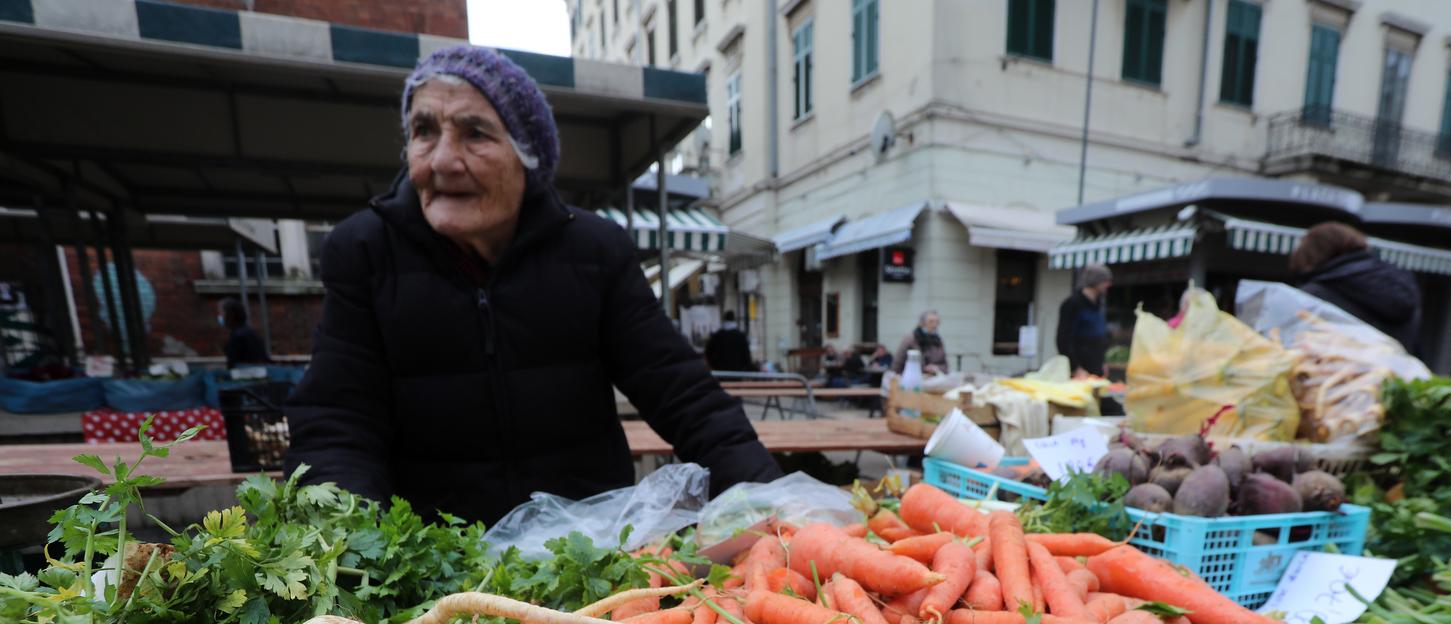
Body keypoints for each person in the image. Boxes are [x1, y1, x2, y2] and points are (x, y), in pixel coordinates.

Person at [284, 45, 780, 525]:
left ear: (528, 155)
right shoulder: (365, 252)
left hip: (587, 546)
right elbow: (337, 422)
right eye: (424, 131)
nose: (441, 160)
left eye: (474, 133)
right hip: (438, 562)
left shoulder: (594, 251)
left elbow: (681, 393)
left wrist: (770, 503)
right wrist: (341, 548)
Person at [1289, 221, 1422, 353]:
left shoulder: (1314, 294)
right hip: (1399, 371)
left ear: (1310, 253)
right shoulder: (1400, 281)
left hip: (1339, 372)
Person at [1056, 264, 1113, 377]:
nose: (1109, 285)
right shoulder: (1072, 304)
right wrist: (1075, 368)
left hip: (1096, 369)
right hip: (1080, 371)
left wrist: (1102, 362)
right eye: (1106, 281)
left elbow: (1099, 337)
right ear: (1096, 281)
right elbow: (1063, 340)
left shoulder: (1098, 305)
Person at [892, 310, 948, 375]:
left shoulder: (938, 341)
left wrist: (936, 368)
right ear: (922, 323)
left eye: (937, 322)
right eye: (931, 321)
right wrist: (923, 368)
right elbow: (897, 364)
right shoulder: (910, 339)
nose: (934, 325)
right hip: (912, 378)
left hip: (933, 379)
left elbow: (945, 366)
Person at [219, 298, 268, 368]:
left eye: (223, 314)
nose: (221, 317)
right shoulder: (251, 332)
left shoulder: (238, 336)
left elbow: (233, 363)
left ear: (231, 315)